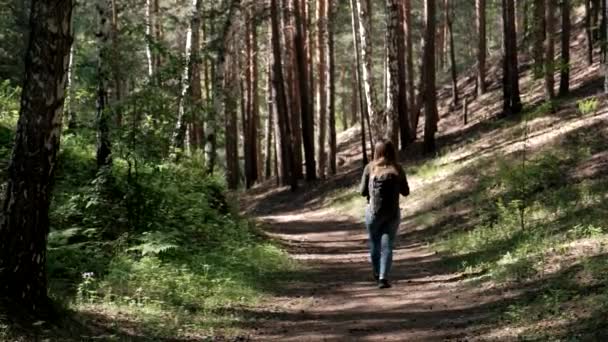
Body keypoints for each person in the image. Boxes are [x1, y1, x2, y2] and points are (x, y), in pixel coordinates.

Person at [359, 140, 410, 289]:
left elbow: (362, 192)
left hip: (372, 212)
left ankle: (376, 272)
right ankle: (383, 278)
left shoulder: (369, 168)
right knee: (387, 245)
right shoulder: (397, 168)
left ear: (376, 151)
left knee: (374, 243)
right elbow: (406, 192)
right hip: (392, 213)